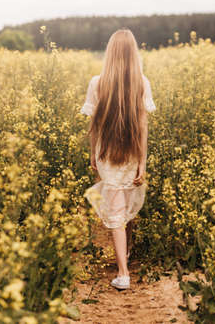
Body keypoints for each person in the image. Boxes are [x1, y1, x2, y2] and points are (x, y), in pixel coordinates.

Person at [80, 28, 156, 290]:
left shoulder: (96, 82)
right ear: (133, 54)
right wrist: (142, 162)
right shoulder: (141, 82)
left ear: (110, 53)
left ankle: (123, 272)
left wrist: (93, 153)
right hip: (131, 153)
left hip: (108, 155)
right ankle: (125, 258)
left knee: (116, 213)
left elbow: (94, 126)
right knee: (124, 208)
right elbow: (143, 126)